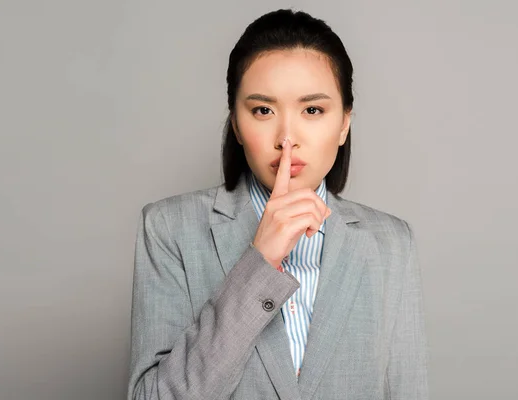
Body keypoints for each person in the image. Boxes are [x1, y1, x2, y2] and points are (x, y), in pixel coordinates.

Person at [127, 8, 429, 400]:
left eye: (313, 110)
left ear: (343, 124)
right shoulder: (168, 228)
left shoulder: (391, 242)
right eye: (263, 110)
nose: (287, 138)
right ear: (236, 123)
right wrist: (260, 262)